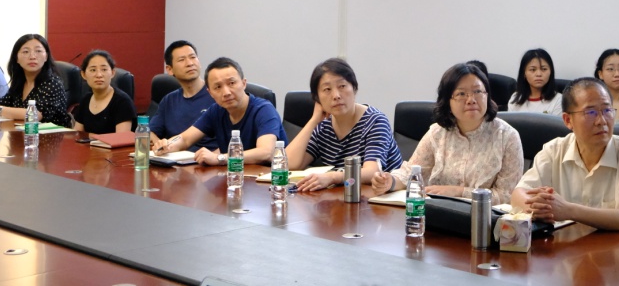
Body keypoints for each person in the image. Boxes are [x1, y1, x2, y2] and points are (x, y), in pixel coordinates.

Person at [511, 77, 619, 234]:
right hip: (565, 247)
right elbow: (519, 194)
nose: (601, 121)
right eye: (591, 112)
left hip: (615, 249)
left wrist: (568, 210)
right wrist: (539, 207)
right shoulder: (554, 150)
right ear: (568, 120)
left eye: (607, 110)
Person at [371, 63, 523, 204]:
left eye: (477, 91)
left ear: (487, 96)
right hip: (439, 214)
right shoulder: (437, 133)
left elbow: (507, 196)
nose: (471, 100)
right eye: (461, 94)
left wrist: (459, 192)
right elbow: (410, 173)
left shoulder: (507, 137)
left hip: (484, 219)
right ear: (447, 102)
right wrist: (389, 181)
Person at [286, 58, 402, 191]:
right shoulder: (323, 126)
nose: (336, 95)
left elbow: (372, 172)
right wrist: (313, 120)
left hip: (381, 199)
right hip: (344, 197)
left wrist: (332, 177)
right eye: (327, 89)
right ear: (317, 99)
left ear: (354, 88)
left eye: (342, 86)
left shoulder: (375, 121)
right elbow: (288, 165)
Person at [152, 57, 285, 165]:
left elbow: (266, 152)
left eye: (231, 83)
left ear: (244, 83)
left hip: (269, 182)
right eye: (218, 87)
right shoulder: (216, 110)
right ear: (210, 93)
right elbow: (185, 139)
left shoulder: (264, 109)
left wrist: (219, 158)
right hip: (234, 178)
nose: (226, 92)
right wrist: (167, 145)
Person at [0, 34, 71, 127]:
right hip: (23, 133)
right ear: (16, 58)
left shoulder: (52, 83)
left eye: (38, 51)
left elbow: (35, 115)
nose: (32, 56)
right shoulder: (19, 82)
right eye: (25, 52)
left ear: (46, 56)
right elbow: (3, 104)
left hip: (52, 135)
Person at [149, 40, 217, 151]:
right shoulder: (169, 100)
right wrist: (160, 146)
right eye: (182, 60)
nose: (190, 63)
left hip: (208, 158)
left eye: (193, 57)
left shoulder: (217, 95)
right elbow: (149, 131)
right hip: (174, 156)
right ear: (170, 69)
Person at [73, 50, 136, 134]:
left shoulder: (122, 102)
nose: (99, 75)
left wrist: (91, 137)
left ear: (112, 73)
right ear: (83, 74)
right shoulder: (86, 100)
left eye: (104, 69)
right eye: (93, 70)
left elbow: (121, 138)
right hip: (88, 143)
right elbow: (77, 134)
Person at [508, 48, 561, 115]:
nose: (539, 74)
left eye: (544, 69)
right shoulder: (515, 98)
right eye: (533, 70)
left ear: (551, 72)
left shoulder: (558, 100)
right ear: (524, 73)